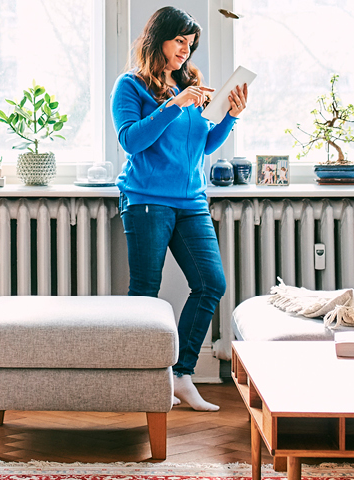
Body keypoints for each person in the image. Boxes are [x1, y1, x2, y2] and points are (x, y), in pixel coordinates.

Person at [111, 6, 249, 412]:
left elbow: (203, 144)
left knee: (211, 283)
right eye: (179, 42)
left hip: (191, 201)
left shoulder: (190, 85)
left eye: (190, 45)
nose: (186, 51)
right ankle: (141, 384)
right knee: (145, 294)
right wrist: (174, 104)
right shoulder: (131, 86)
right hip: (147, 201)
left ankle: (180, 375)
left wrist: (231, 118)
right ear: (160, 39)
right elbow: (131, 141)